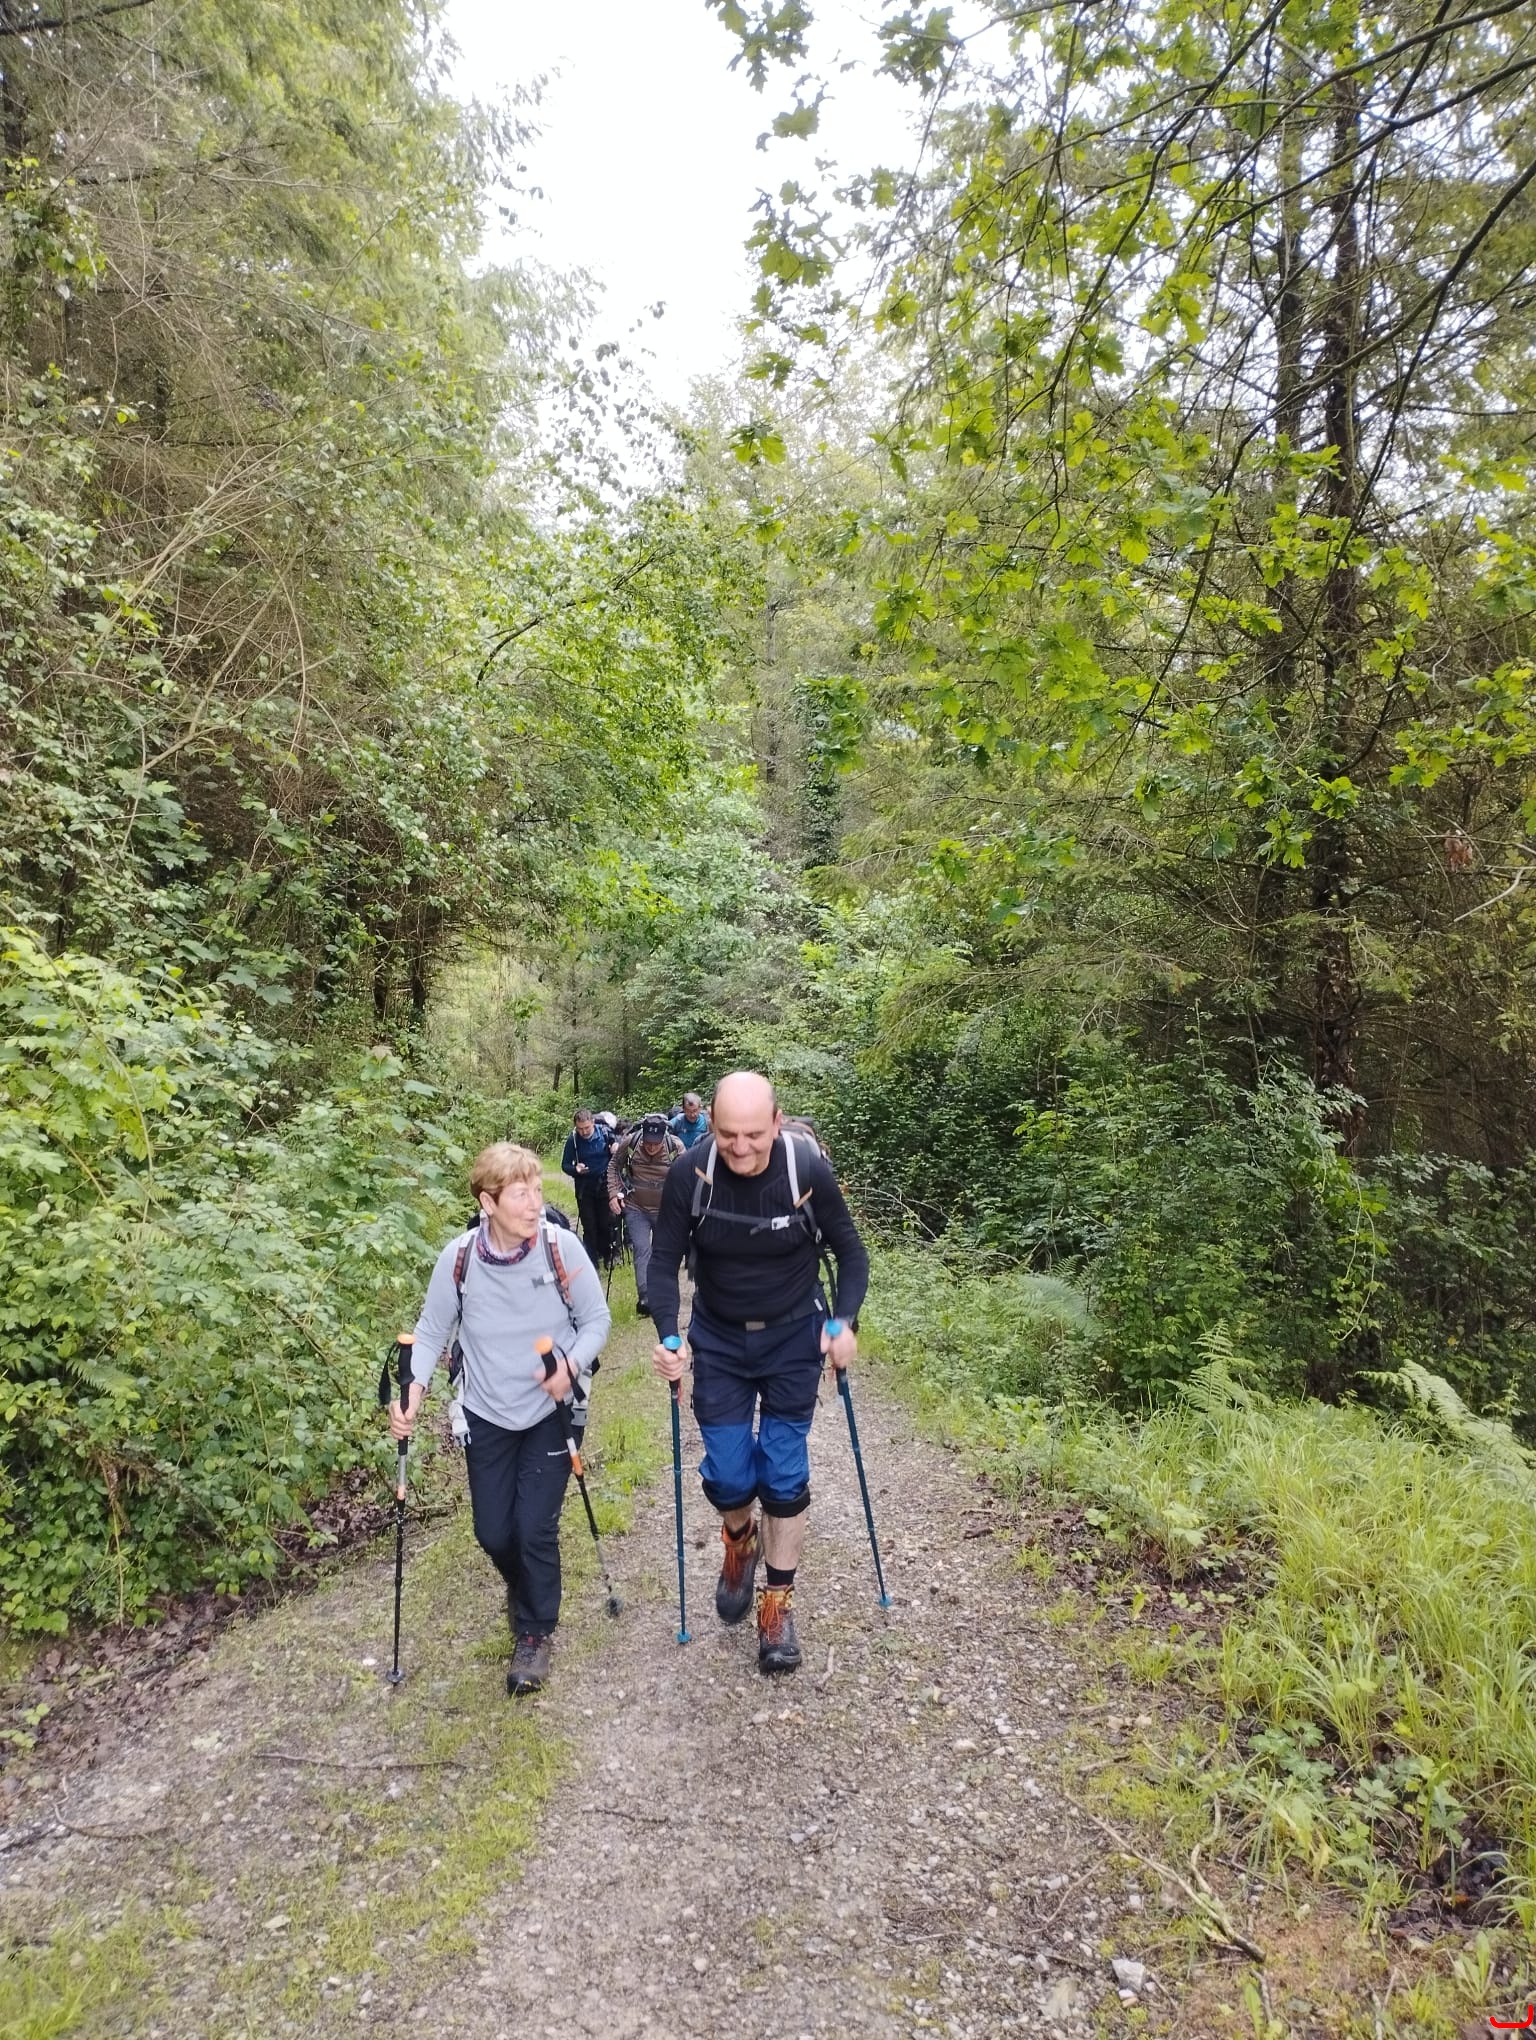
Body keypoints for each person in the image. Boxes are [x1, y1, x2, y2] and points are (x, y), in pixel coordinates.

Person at [649, 1072, 869, 1676]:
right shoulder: (691, 1173)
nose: (741, 1148)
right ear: (710, 1126)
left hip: (794, 1336)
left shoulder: (805, 1169)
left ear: (777, 1122)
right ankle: (739, 1539)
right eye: (727, 1135)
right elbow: (663, 1261)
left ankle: (777, 1603)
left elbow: (851, 1253)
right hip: (719, 1339)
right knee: (727, 1476)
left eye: (753, 1134)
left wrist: (844, 1322)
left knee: (783, 1472)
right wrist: (668, 1335)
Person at [389, 1142, 611, 1695]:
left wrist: (571, 1366)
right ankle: (524, 1584)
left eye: (537, 1190)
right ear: (487, 1202)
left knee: (534, 1527)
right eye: (520, 1194)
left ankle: (535, 1633)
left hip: (551, 1410)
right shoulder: (459, 1259)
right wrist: (413, 1391)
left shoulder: (561, 1249)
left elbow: (596, 1320)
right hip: (485, 1410)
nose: (535, 1203)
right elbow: (432, 1331)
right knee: (492, 1532)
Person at [607, 1111, 683, 1314]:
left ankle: (662, 1294)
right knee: (641, 1250)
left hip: (665, 1210)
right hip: (636, 1207)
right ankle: (645, 1297)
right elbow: (614, 1166)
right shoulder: (630, 1142)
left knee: (662, 1252)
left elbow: (687, 1175)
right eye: (648, 1142)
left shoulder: (675, 1146)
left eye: (655, 1143)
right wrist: (613, 1194)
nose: (651, 1147)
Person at [561, 1108, 615, 1263]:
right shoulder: (573, 1140)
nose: (584, 1132)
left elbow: (616, 1145)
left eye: (587, 1128)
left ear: (593, 1122)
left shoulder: (604, 1133)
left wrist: (615, 1147)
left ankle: (608, 1255)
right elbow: (565, 1165)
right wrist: (575, 1169)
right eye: (580, 1129)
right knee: (589, 1225)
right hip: (584, 1188)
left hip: (605, 1184)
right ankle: (591, 1260)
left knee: (605, 1223)